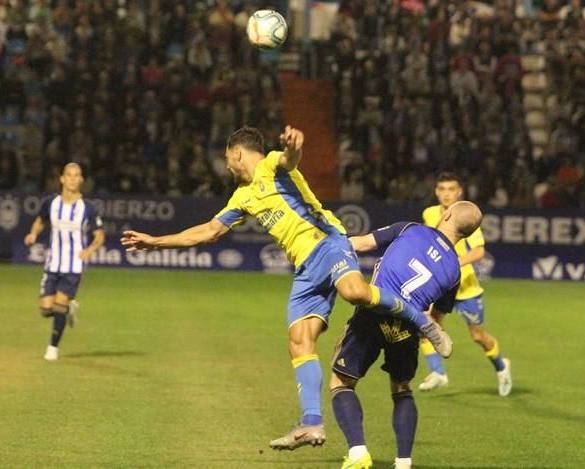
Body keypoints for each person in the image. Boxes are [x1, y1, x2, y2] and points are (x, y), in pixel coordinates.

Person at [121, 125, 448, 449]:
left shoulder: (270, 164)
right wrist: (156, 242)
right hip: (306, 271)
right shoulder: (243, 196)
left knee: (355, 292)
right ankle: (311, 424)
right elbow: (208, 231)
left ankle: (423, 322)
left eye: (227, 159)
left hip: (328, 244)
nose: (227, 166)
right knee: (299, 341)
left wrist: (294, 146)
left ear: (237, 153)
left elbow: (289, 159)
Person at [329, 201, 483, 469]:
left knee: (341, 382)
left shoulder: (409, 229)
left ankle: (357, 453)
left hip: (372, 313)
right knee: (401, 389)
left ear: (446, 214)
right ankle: (403, 462)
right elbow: (435, 321)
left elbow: (359, 244)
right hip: (407, 329)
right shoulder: (455, 272)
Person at [418, 172, 512, 396]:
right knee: (426, 326)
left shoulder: (466, 215)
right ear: (436, 191)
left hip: (466, 286)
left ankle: (501, 366)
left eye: (451, 189)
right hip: (441, 284)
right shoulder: (429, 213)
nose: (446, 194)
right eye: (442, 189)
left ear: (459, 192)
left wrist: (453, 261)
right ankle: (438, 373)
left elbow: (479, 251)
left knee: (478, 336)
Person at [24, 163, 105, 361]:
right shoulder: (51, 203)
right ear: (62, 178)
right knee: (46, 309)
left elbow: (99, 236)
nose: (72, 179)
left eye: (76, 175)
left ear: (81, 180)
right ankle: (70, 308)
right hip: (53, 263)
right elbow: (40, 221)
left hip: (74, 265)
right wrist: (33, 234)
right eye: (69, 175)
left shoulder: (88, 207)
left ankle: (53, 348)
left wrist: (90, 250)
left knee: (59, 305)